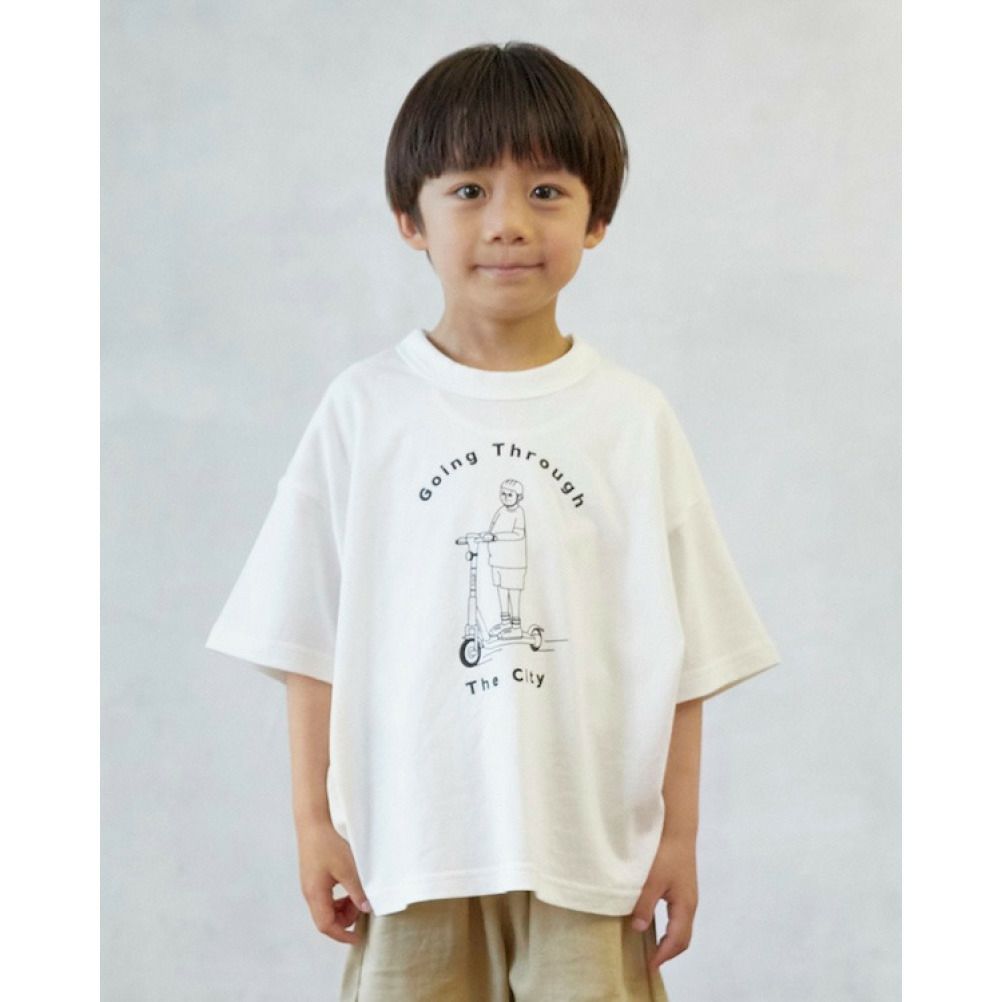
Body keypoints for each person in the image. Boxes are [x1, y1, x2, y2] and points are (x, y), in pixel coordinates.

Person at [206, 41, 781, 1002]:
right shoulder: (365, 411)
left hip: (590, 861)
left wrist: (678, 835)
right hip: (412, 853)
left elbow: (685, 656)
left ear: (597, 218)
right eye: (469, 190)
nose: (508, 222)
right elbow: (308, 639)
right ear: (411, 218)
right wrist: (313, 821)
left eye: (546, 192)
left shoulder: (630, 420)